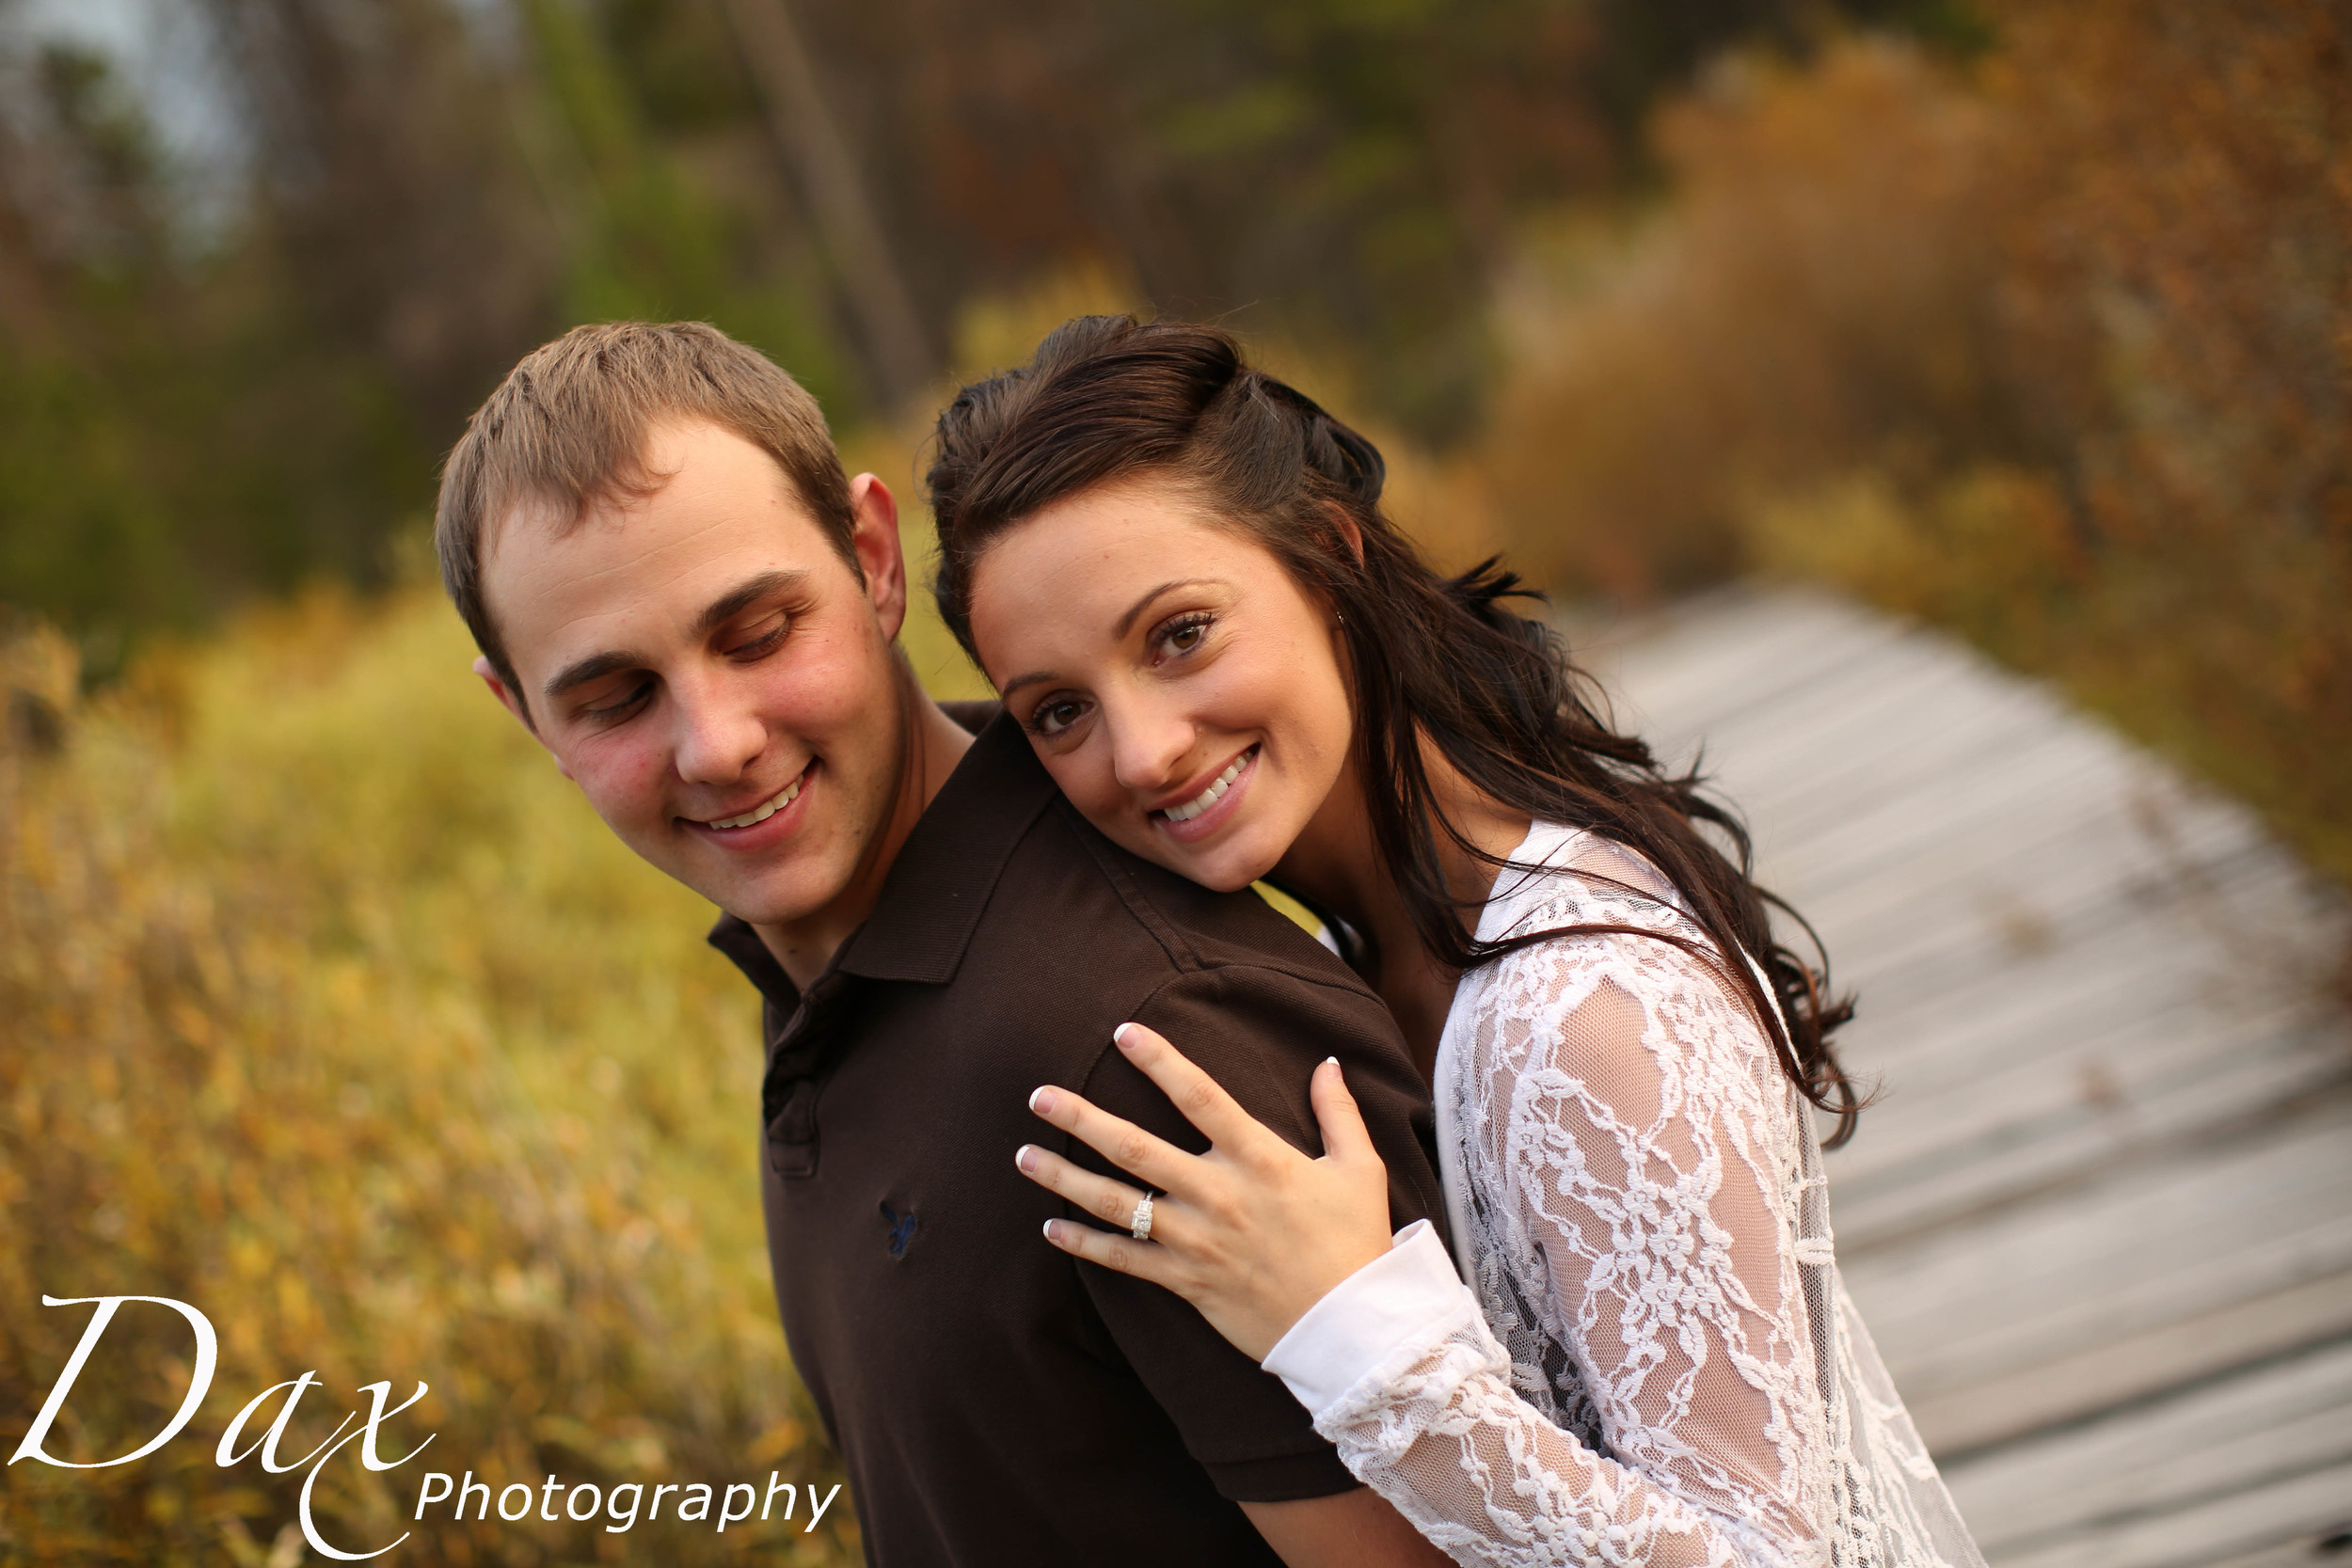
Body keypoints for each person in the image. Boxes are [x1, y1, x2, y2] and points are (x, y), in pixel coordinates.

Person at [922, 315, 1988, 1568]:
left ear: (1326, 559)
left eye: (1178, 635)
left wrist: (1354, 1332)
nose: (1142, 749)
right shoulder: (1370, 956)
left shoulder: (1584, 1011)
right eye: (1058, 711)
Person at [431, 322, 1459, 1567]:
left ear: (871, 560)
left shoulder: (1144, 1044)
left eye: (757, 635)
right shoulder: (835, 971)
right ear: (520, 711)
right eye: (616, 699)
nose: (717, 743)